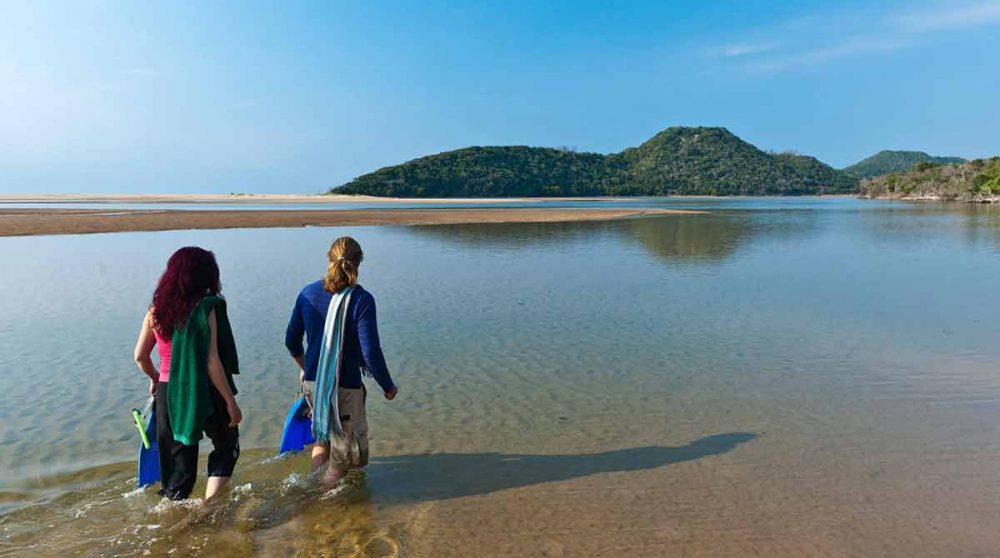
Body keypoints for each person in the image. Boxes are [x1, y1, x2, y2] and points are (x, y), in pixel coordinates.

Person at [285, 236, 398, 484]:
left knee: (321, 440)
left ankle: (311, 481)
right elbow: (370, 352)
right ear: (358, 263)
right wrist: (387, 385)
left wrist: (306, 368)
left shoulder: (307, 294)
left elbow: (291, 341)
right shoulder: (362, 300)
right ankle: (318, 503)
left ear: (328, 258)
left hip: (315, 385)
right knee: (342, 460)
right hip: (344, 389)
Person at [133, 247, 242, 500]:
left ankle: (173, 523)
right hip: (205, 389)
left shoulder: (155, 311)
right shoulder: (206, 308)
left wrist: (154, 378)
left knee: (178, 471)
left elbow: (139, 356)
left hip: (169, 392)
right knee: (226, 446)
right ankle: (209, 505)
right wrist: (230, 402)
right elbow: (211, 360)